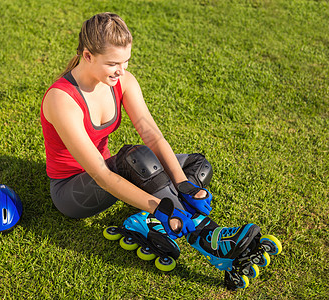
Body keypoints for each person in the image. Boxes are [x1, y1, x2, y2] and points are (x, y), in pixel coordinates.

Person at [40, 13, 281, 290]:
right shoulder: (62, 99)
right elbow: (102, 176)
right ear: (87, 55)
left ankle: (147, 221)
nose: (122, 70)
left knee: (196, 167)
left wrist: (183, 185)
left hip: (109, 170)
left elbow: (153, 135)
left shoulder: (123, 81)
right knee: (137, 159)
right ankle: (209, 239)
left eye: (125, 60)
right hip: (73, 191)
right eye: (113, 63)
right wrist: (161, 207)